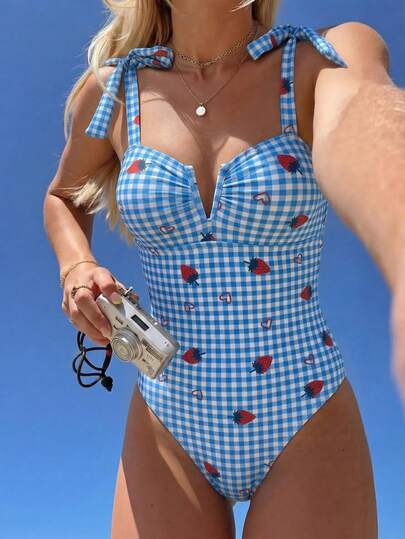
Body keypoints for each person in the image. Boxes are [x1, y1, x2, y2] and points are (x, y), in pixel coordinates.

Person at [43, 1, 405, 537]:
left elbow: (364, 119)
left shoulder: (320, 56)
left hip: (304, 408)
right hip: (169, 420)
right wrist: (76, 265)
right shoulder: (114, 90)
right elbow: (63, 197)